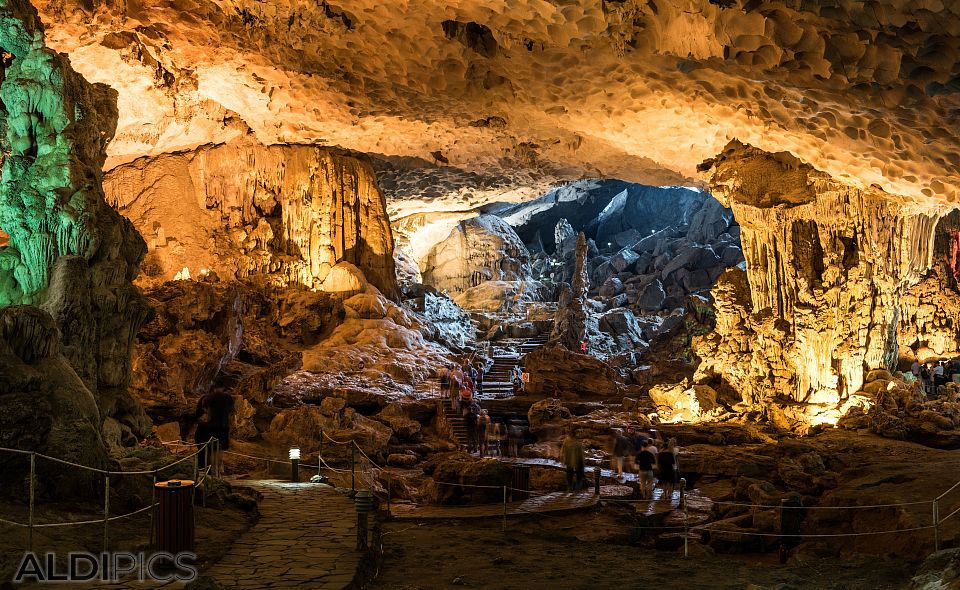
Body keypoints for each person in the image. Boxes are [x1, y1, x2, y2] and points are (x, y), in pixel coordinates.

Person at [194, 390, 235, 475]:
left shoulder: (207, 424)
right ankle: (212, 473)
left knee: (213, 459)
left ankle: (212, 473)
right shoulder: (219, 421)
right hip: (213, 439)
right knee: (213, 459)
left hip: (212, 439)